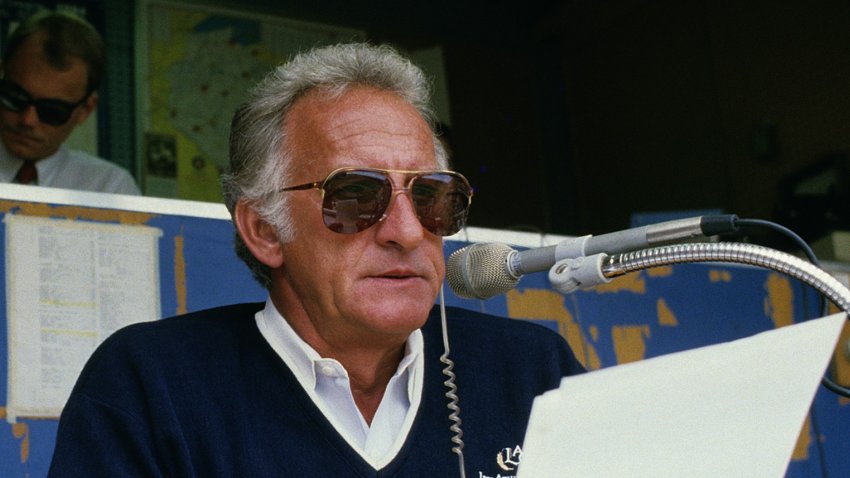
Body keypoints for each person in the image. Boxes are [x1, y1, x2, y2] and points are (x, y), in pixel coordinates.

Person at [48, 43, 584, 476]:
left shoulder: (534, 372)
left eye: (429, 197)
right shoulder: (150, 386)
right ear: (264, 230)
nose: (405, 231)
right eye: (355, 197)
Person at [0, 10, 139, 194]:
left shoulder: (110, 189)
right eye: (16, 97)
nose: (28, 120)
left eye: (52, 111)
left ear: (86, 109)